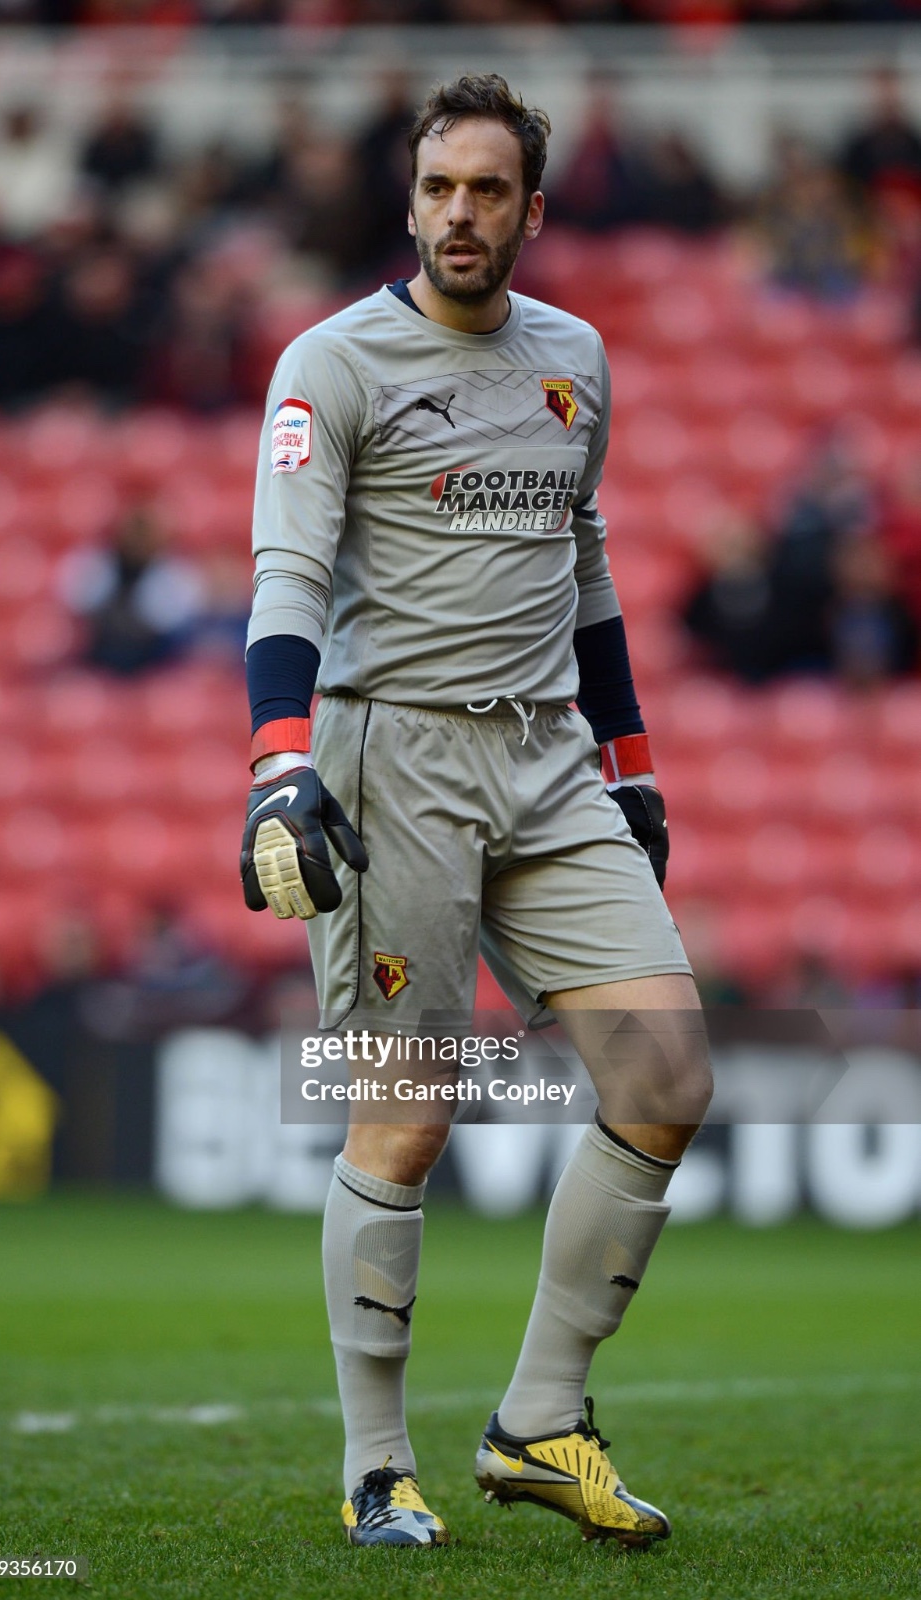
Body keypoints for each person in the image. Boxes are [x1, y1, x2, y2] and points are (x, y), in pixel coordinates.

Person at [240, 72, 712, 1551]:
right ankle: (377, 1467)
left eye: (488, 190)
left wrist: (630, 771)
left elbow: (587, 580)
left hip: (551, 761)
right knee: (409, 1113)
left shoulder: (574, 359)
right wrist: (276, 762)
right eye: (439, 187)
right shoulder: (335, 362)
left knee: (665, 1072)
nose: (460, 213)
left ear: (531, 210)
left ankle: (537, 1419)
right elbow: (286, 579)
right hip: (397, 766)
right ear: (410, 200)